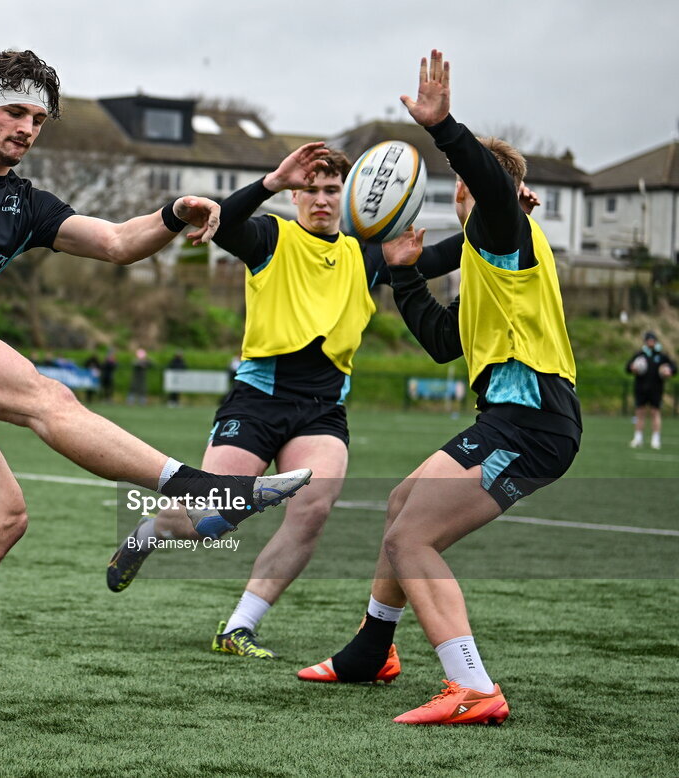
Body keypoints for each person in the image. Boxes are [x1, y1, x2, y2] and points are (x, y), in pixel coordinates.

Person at [0, 49, 310, 742]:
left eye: (38, 118)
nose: (26, 127)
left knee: (2, 514)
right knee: (45, 396)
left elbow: (114, 242)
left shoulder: (26, 205)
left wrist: (174, 211)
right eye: (14, 111)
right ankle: (200, 487)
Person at [295, 50, 582, 726]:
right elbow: (441, 339)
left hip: (532, 419)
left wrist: (446, 127)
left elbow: (487, 181)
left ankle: (473, 686)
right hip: (514, 415)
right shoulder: (490, 253)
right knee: (401, 507)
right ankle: (372, 652)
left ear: (473, 187)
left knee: (412, 538)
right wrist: (403, 272)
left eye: (464, 180)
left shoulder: (501, 225)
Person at [106, 139, 469, 657]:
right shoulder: (270, 236)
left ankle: (239, 627)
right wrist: (272, 181)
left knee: (313, 509)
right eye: (312, 189)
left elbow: (435, 256)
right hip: (257, 400)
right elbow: (223, 223)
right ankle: (149, 533)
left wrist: (499, 213)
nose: (321, 199)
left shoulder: (367, 256)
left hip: (322, 409)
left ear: (346, 199)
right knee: (211, 516)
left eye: (332, 190)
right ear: (297, 196)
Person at [627, 331, 675, 449]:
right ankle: (638, 438)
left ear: (655, 341)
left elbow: (673, 368)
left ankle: (656, 439)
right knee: (640, 412)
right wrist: (632, 368)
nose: (651, 342)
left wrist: (669, 371)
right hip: (641, 389)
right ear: (645, 342)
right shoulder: (640, 355)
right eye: (649, 340)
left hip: (656, 389)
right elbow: (628, 367)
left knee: (655, 412)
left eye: (652, 340)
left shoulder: (662, 356)